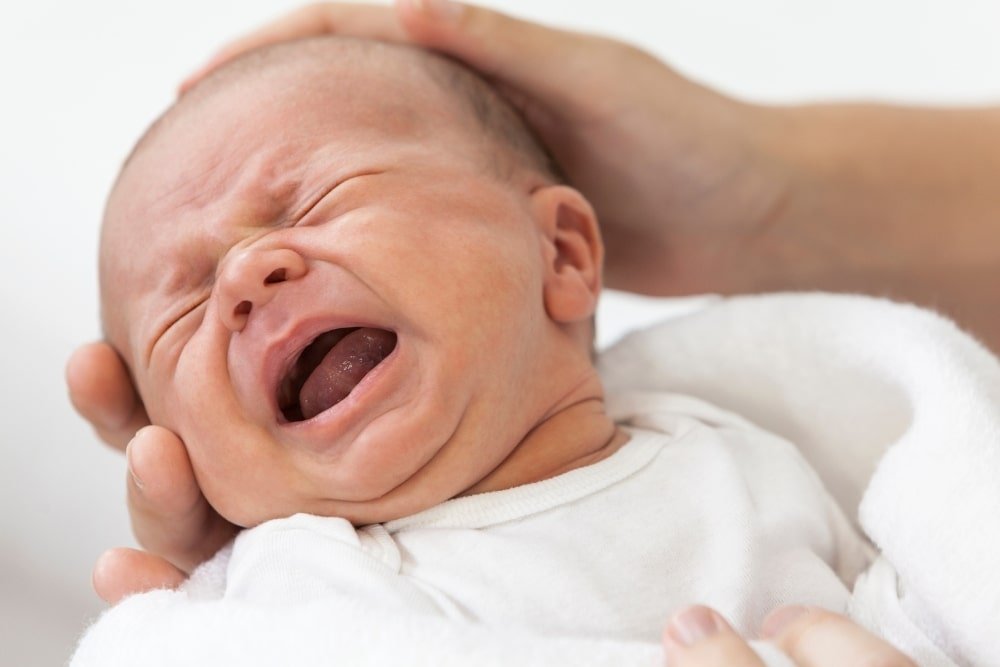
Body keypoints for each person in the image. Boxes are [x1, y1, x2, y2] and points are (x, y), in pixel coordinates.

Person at [68, 0, 984, 662]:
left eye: (316, 198)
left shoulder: (760, 442)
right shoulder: (298, 599)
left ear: (562, 252)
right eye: (181, 307)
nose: (241, 278)